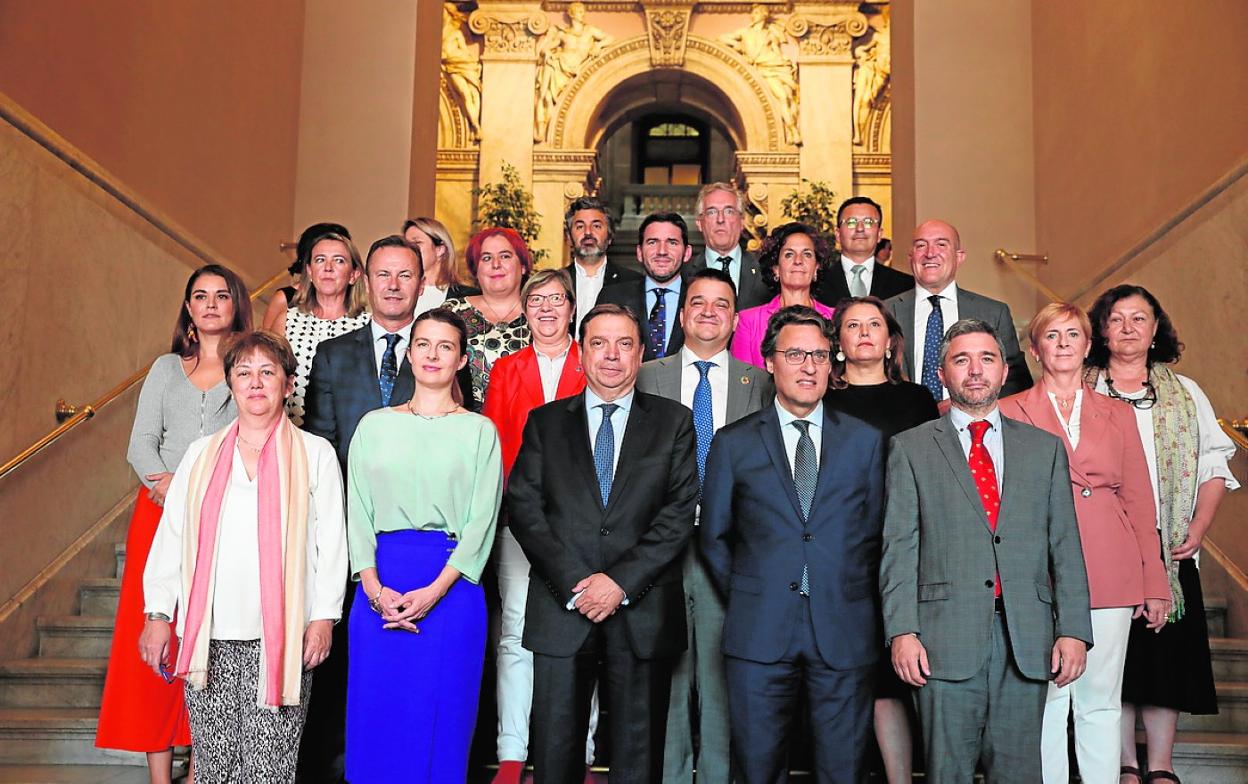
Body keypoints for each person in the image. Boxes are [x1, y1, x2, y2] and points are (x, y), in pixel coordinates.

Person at [880, 318, 1093, 784]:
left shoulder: (1045, 449)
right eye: (961, 359)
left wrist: (1074, 629)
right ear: (942, 374)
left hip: (1026, 639)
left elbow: (1065, 545)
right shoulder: (911, 449)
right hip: (941, 639)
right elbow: (899, 547)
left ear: (1003, 372)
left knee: (1019, 774)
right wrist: (903, 631)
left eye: (987, 359)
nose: (975, 370)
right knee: (946, 772)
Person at [140, 331, 348, 781]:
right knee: (216, 767)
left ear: (289, 384)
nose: (256, 383)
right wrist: (158, 614)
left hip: (283, 638)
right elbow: (171, 537)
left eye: (267, 372)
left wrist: (324, 618)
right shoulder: (200, 455)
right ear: (231, 384)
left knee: (269, 768)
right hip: (209, 638)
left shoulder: (316, 454)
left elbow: (332, 543)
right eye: (244, 373)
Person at [508, 303, 700, 784]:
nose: (611, 355)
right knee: (554, 752)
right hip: (562, 607)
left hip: (642, 609)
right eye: (598, 343)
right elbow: (525, 510)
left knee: (639, 755)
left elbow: (678, 514)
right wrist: (578, 583)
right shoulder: (545, 422)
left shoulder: (673, 421)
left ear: (640, 355)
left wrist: (619, 583)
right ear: (581, 353)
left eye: (624, 344)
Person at [700, 305, 886, 782]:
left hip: (843, 630)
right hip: (759, 630)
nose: (809, 366)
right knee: (758, 769)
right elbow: (714, 535)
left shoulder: (866, 442)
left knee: (843, 770)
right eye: (796, 354)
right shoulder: (733, 443)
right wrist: (752, 591)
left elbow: (878, 534)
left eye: (820, 355)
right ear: (769, 361)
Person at [997, 302, 1171, 784]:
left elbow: (1139, 498)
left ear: (1088, 345)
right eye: (1051, 336)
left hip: (1110, 563)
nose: (1063, 344)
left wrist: (1153, 580)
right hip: (1039, 567)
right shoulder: (1009, 411)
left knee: (1099, 699)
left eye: (1072, 335)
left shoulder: (1117, 412)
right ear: (1034, 350)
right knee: (1049, 696)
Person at [96, 263, 251, 783]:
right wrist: (171, 489)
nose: (210, 304)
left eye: (221, 295)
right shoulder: (166, 368)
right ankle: (159, 774)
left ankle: (201, 768)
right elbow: (141, 443)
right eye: (199, 296)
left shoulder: (249, 367)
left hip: (226, 522)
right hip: (158, 518)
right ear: (188, 308)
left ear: (236, 306)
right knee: (157, 637)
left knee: (209, 640)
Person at [1080, 286, 1240, 784]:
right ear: (1100, 330)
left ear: (1155, 329)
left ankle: (1161, 765)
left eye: (1139, 318)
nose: (1128, 327)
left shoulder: (1185, 392)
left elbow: (1214, 465)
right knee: (1113, 663)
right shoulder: (1081, 388)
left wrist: (1197, 529)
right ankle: (1123, 763)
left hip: (1169, 547)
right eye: (1116, 318)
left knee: (1166, 658)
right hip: (1102, 548)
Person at [344, 309, 503, 783]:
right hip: (379, 585)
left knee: (443, 723)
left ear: (461, 360)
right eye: (424, 344)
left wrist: (434, 592)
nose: (432, 355)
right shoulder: (373, 425)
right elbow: (357, 512)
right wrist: (374, 589)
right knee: (377, 718)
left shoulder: (480, 431)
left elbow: (482, 522)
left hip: (453, 589)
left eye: (445, 346)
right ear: (409, 353)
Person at [635, 268, 773, 784]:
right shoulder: (647, 375)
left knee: (719, 672)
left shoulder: (758, 382)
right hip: (658, 548)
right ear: (682, 313)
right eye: (698, 302)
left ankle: (715, 774)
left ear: (735, 318)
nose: (709, 312)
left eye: (721, 304)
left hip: (728, 547)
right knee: (667, 673)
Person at [299, 234, 425, 782]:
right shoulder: (334, 353)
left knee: (405, 651)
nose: (393, 285)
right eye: (383, 274)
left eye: (405, 275)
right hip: (344, 520)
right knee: (340, 648)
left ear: (422, 284)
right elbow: (321, 441)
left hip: (413, 528)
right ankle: (334, 763)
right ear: (364, 281)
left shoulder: (438, 347)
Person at [481, 269, 598, 783]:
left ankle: (585, 745)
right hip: (521, 523)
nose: (547, 308)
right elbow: (494, 447)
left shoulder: (593, 360)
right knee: (513, 634)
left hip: (587, 524)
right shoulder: (507, 371)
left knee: (586, 631)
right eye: (537, 300)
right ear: (525, 311)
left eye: (556, 299)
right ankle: (512, 750)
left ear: (572, 308)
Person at [824, 296, 938, 784]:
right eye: (853, 325)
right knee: (858, 673)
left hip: (910, 544)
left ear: (891, 340)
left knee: (903, 672)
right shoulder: (821, 398)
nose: (865, 333)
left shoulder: (916, 399)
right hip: (842, 549)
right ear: (839, 343)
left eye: (875, 324)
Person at [885, 219, 1033, 402]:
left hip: (974, 424)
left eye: (941, 244)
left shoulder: (994, 313)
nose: (930, 253)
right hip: (904, 424)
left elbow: (1015, 382)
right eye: (921, 246)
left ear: (959, 257)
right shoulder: (885, 312)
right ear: (911, 258)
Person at [267, 230, 370, 426]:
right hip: (292, 433)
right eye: (320, 260)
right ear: (309, 271)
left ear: (354, 275)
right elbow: (269, 377)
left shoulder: (368, 324)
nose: (328, 268)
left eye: (339, 260)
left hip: (347, 433)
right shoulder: (287, 319)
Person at [441, 227, 534, 408]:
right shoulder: (453, 311)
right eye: (486, 258)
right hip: (463, 422)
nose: (496, 264)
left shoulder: (541, 313)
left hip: (527, 425)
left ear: (522, 266)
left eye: (505, 256)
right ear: (476, 270)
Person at [730, 222, 835, 369]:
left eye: (807, 254)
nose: (798, 261)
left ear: (816, 268)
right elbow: (742, 381)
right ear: (776, 269)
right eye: (789, 254)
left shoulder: (835, 318)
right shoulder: (749, 321)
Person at [598, 212, 693, 361]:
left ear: (687, 253)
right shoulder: (612, 297)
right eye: (652, 242)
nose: (662, 251)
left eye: (672, 242)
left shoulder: (700, 300)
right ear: (639, 252)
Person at [562, 196, 640, 333]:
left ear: (610, 237)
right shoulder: (557, 281)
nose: (588, 232)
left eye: (596, 226)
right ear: (568, 237)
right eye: (580, 226)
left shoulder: (634, 283)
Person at [816, 197, 913, 305]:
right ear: (838, 234)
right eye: (851, 222)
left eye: (869, 222)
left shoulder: (905, 286)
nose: (860, 228)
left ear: (879, 234)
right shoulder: (816, 283)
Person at [690, 182, 770, 310]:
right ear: (699, 223)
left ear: (742, 221)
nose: (720, 219)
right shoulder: (684, 274)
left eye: (729, 211)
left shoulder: (765, 271)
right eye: (711, 212)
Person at [262, 222, 352, 332]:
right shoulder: (284, 298)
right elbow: (268, 342)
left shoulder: (351, 296)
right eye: (321, 258)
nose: (329, 266)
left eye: (338, 259)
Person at [403, 215, 479, 315]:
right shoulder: (397, 292)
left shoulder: (470, 298)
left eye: (417, 243)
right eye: (405, 245)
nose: (408, 250)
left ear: (440, 250)